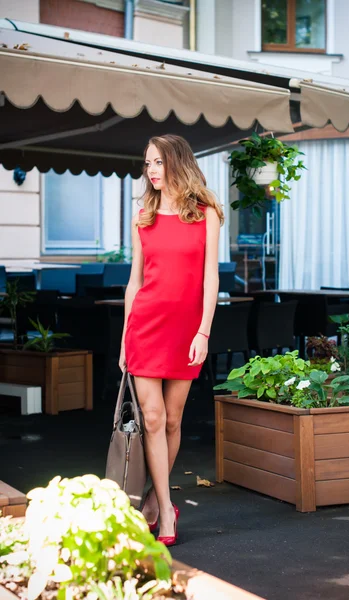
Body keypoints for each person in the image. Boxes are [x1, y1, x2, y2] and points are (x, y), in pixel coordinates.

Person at [119, 134, 224, 546]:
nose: (152, 170)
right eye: (148, 164)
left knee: (174, 419)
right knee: (153, 418)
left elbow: (210, 278)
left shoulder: (206, 213)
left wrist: (204, 331)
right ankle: (165, 511)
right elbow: (135, 282)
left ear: (178, 162)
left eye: (159, 162)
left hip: (186, 331)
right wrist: (125, 338)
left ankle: (150, 502)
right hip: (145, 326)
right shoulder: (142, 215)